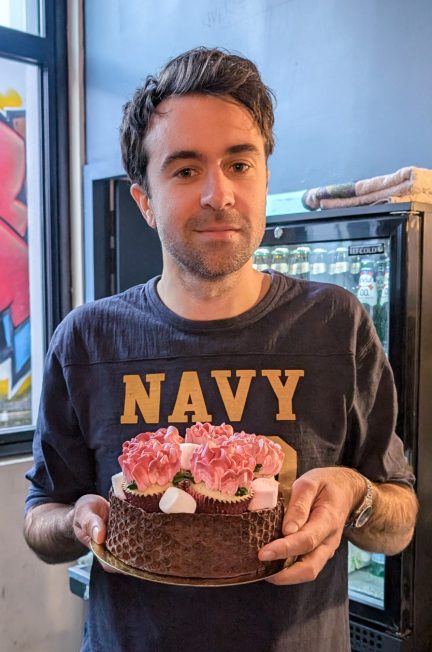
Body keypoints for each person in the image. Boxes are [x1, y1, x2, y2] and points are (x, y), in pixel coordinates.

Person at [24, 47, 418, 652]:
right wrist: (80, 518)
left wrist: (356, 496)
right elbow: (39, 516)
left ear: (263, 174)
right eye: (184, 170)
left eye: (240, 164)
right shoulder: (86, 341)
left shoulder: (336, 324)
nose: (219, 194)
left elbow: (399, 518)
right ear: (145, 201)